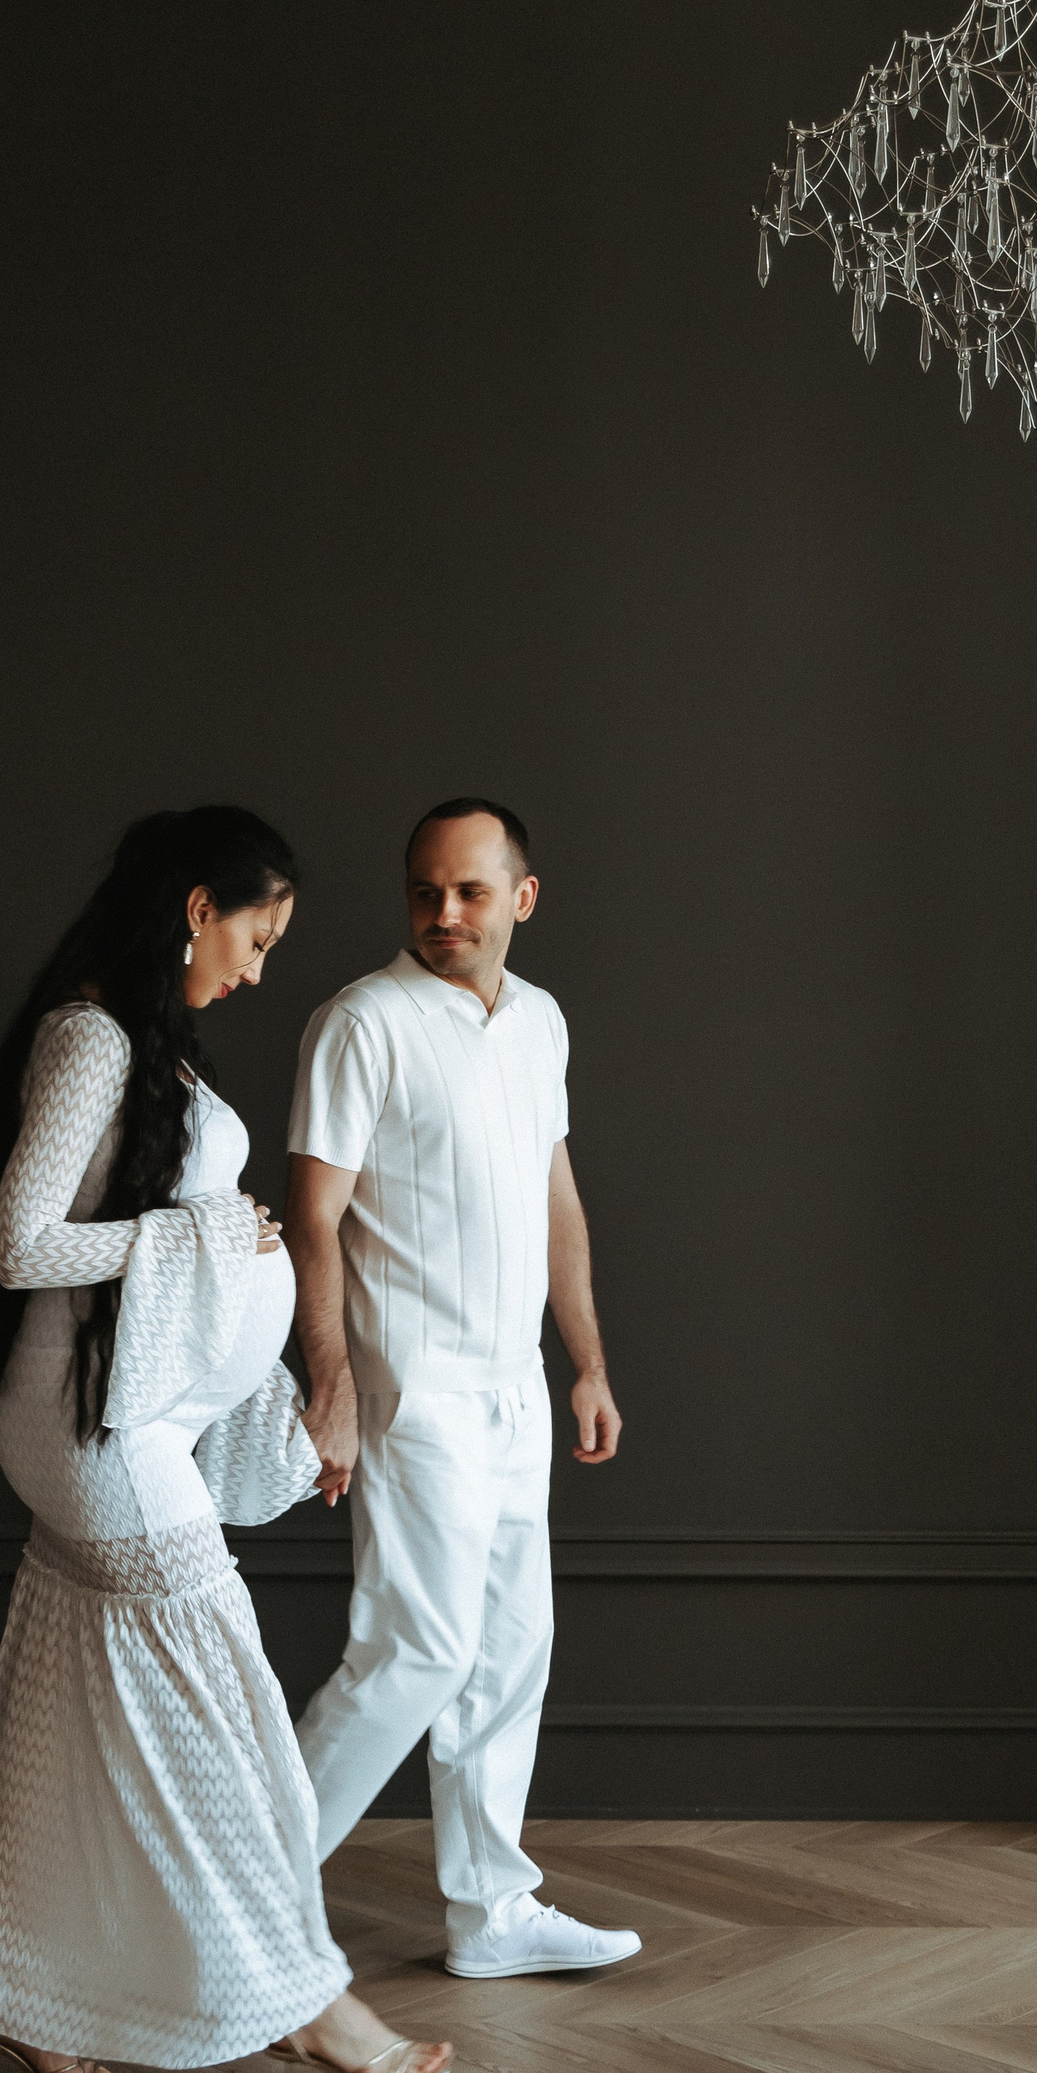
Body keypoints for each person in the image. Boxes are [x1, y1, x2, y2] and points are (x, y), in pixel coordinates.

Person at [0, 805, 452, 2073]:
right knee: (227, 1713)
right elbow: (22, 1244)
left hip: (122, 1416)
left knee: (65, 1711)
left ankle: (22, 1998)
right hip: (89, 1425)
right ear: (195, 908)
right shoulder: (90, 1038)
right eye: (256, 937)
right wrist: (202, 1239)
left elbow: (148, 1224)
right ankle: (306, 1998)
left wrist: (221, 1243)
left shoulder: (147, 1041)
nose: (259, 968)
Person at [285, 798, 641, 1979]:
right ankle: (239, 1895)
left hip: (515, 1389)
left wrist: (586, 1362)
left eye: (471, 892)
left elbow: (555, 1198)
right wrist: (332, 1388)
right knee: (416, 1652)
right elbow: (313, 1220)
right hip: (414, 1391)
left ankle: (491, 1915)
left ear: (521, 899)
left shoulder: (540, 1022)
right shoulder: (362, 1024)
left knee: (512, 1649)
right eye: (426, 892)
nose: (444, 913)